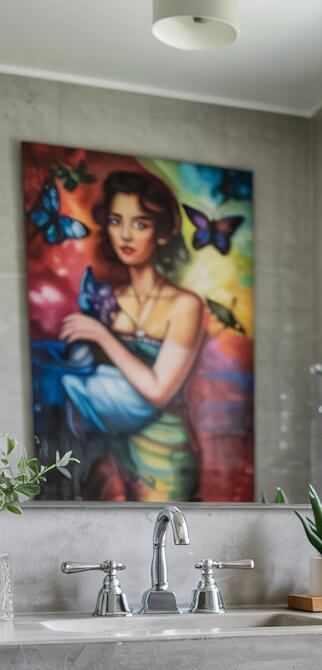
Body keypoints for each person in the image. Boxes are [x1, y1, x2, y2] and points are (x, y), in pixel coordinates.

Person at [60, 169, 205, 501]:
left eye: (140, 224)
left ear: (163, 232)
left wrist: (102, 335)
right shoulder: (109, 301)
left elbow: (158, 390)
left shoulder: (185, 305)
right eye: (116, 221)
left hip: (164, 454)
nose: (125, 234)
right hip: (109, 449)